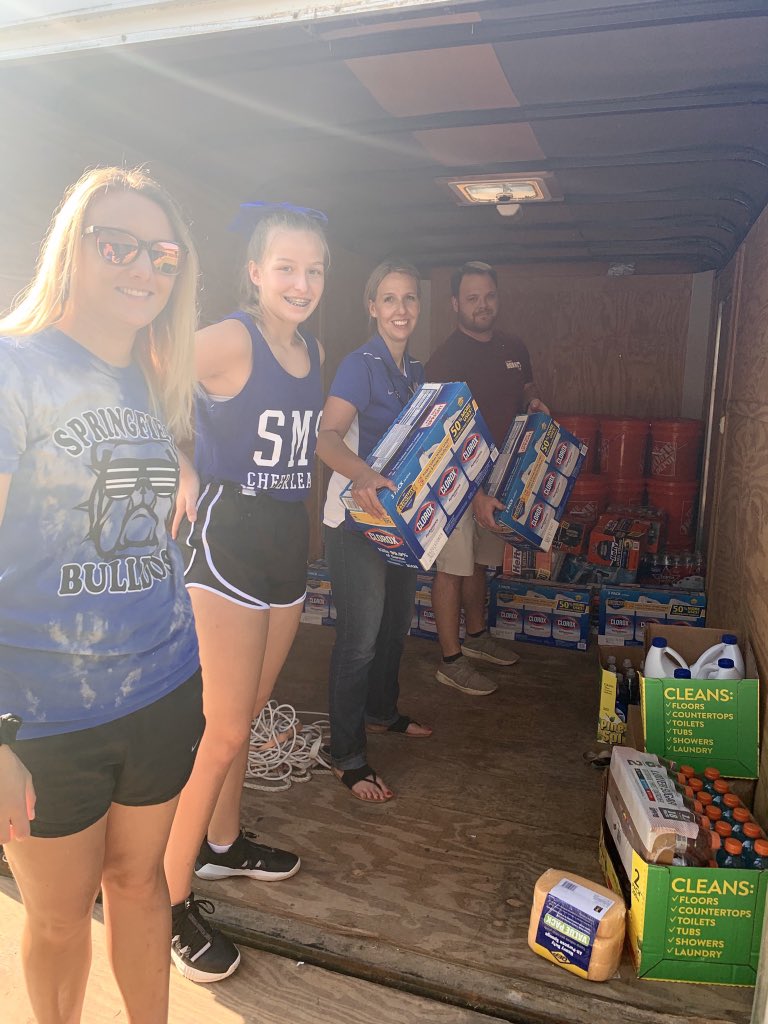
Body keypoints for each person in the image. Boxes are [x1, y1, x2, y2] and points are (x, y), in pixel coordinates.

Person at [0, 166, 204, 1024]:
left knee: (140, 882)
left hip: (162, 686)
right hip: (44, 715)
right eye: (117, 244)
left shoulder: (149, 376)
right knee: (54, 918)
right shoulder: (15, 369)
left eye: (161, 253)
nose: (143, 268)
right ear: (70, 249)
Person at [164, 204, 327, 982]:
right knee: (222, 731)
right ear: (257, 272)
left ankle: (223, 849)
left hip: (284, 549)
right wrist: (183, 465)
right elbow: (144, 372)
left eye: (315, 270)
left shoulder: (312, 347)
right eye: (286, 267)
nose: (301, 283)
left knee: (248, 719)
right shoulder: (233, 337)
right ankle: (164, 900)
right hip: (227, 545)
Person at [317, 259, 433, 804]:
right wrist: (362, 473)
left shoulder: (417, 371)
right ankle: (347, 754)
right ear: (372, 307)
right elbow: (326, 437)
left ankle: (382, 712)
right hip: (354, 521)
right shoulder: (357, 365)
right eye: (389, 299)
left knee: (394, 627)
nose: (401, 309)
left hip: (399, 522)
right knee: (360, 640)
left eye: (409, 299)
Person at [425, 261, 549, 696]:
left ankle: (477, 638)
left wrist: (533, 400)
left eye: (489, 296)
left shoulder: (513, 345)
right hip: (455, 481)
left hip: (499, 474)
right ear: (455, 304)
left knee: (481, 561)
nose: (483, 305)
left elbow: (525, 382)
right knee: (452, 569)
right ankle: (451, 659)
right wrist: (473, 491)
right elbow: (439, 432)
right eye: (473, 298)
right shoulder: (445, 358)